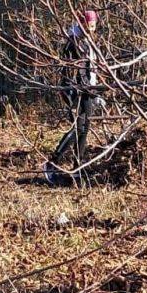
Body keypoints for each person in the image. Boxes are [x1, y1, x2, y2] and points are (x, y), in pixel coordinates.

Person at [44, 10, 103, 185]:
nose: (91, 29)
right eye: (88, 26)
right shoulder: (74, 43)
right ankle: (52, 164)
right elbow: (74, 71)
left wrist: (95, 90)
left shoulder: (88, 41)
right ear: (81, 24)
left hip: (87, 90)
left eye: (93, 26)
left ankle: (78, 166)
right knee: (76, 127)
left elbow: (91, 68)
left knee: (85, 128)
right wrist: (84, 88)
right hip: (73, 90)